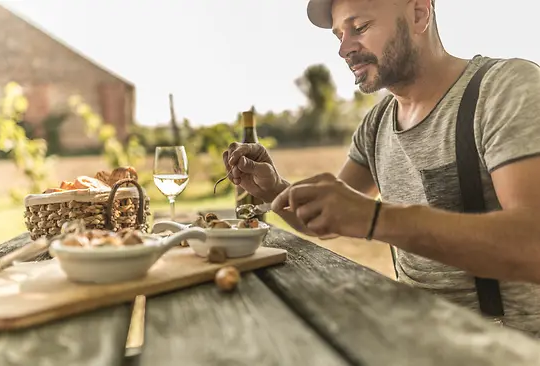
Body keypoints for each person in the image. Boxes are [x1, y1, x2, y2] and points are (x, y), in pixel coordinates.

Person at [222, 0, 540, 337]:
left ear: (419, 13)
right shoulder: (377, 122)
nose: (344, 49)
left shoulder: (504, 89)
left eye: (359, 27)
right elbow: (325, 219)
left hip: (506, 345)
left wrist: (374, 218)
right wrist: (274, 188)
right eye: (338, 36)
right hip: (411, 334)